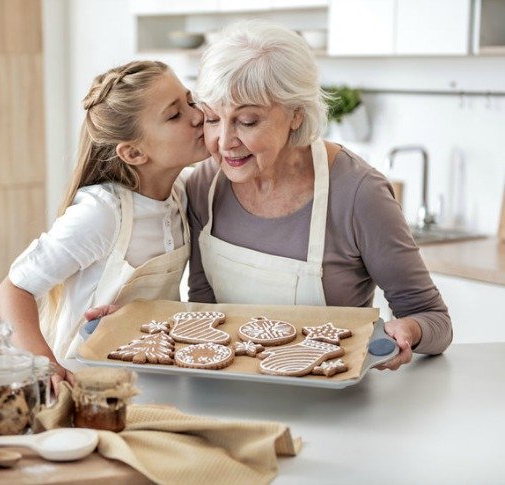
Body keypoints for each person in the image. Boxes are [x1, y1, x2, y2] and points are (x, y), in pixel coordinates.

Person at [185, 20, 452, 370]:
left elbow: (434, 319)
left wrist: (409, 329)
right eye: (211, 119)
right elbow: (203, 310)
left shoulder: (359, 194)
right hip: (226, 391)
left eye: (247, 121)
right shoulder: (204, 186)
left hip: (332, 399)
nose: (224, 141)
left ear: (296, 114)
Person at [0, 60, 209, 388]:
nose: (198, 116)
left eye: (191, 100)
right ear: (134, 153)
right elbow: (14, 289)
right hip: (85, 382)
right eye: (174, 114)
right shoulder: (102, 213)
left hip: (151, 376)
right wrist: (45, 365)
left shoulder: (181, 194)